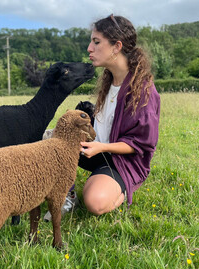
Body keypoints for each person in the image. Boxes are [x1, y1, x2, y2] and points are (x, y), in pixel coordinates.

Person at [44, 14, 160, 221]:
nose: (89, 48)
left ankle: (121, 189)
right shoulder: (109, 80)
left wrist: (101, 147)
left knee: (95, 202)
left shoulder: (143, 91)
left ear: (117, 46)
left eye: (96, 42)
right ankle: (68, 194)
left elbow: (142, 144)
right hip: (96, 149)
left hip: (121, 161)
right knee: (45, 141)